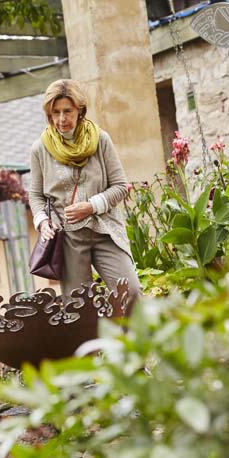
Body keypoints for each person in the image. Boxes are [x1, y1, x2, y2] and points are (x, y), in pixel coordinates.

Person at [28, 79, 142, 307]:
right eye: (55, 112)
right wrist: (42, 222)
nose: (61, 119)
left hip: (105, 231)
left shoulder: (101, 140)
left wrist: (91, 206)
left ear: (80, 109)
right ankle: (95, 344)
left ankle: (136, 342)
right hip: (68, 237)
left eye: (67, 111)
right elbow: (36, 195)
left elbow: (120, 186)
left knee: (131, 292)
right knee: (79, 308)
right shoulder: (40, 149)